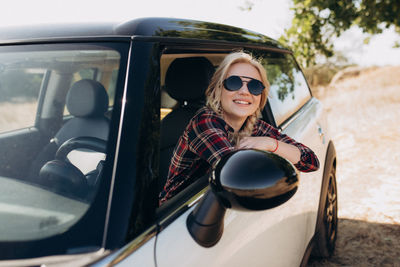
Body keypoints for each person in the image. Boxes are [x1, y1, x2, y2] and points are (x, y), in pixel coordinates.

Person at [159, 51, 319, 205]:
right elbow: (237, 173)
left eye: (255, 86)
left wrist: (271, 144)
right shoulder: (203, 122)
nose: (244, 91)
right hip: (176, 217)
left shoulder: (255, 126)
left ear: (261, 95)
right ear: (218, 89)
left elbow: (311, 162)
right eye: (234, 83)